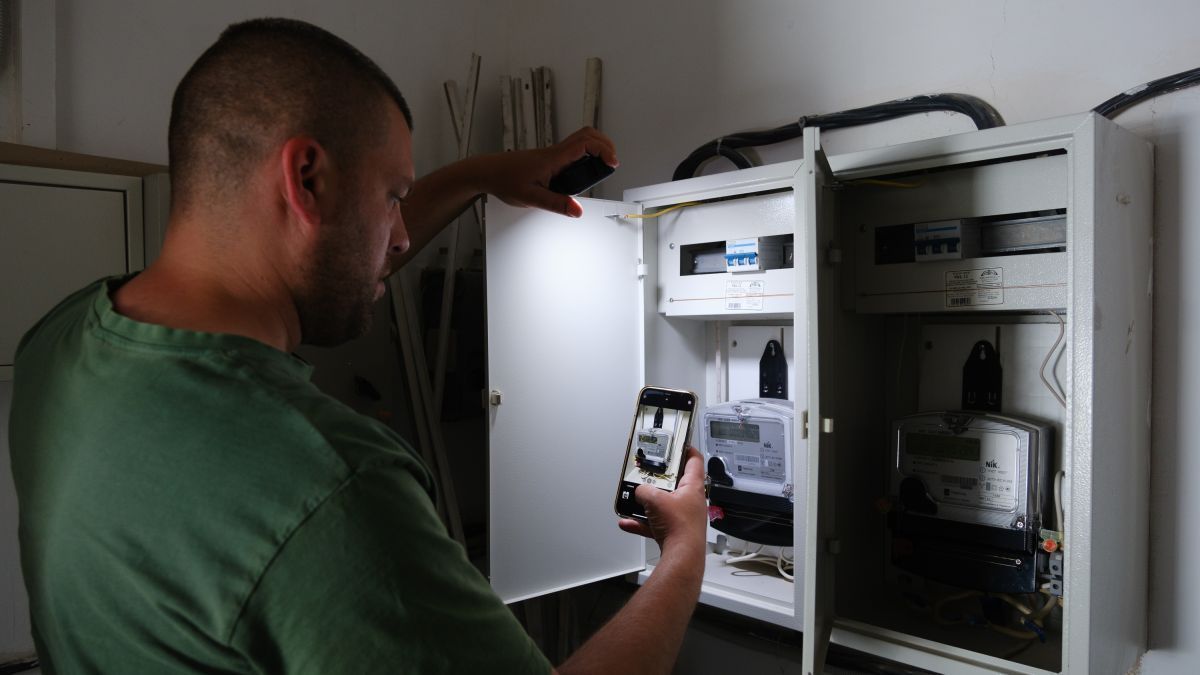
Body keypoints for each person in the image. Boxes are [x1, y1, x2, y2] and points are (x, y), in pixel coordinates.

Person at [8, 17, 707, 675]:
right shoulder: (335, 487)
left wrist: (474, 177)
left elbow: (344, 261)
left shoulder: (62, 339)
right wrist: (684, 547)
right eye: (392, 196)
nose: (400, 237)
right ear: (307, 179)